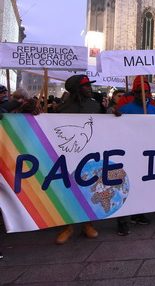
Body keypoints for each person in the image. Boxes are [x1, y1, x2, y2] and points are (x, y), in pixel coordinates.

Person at [55, 75, 102, 244]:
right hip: (68, 157)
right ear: (76, 89)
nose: (90, 88)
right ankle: (67, 227)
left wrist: (114, 115)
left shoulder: (95, 106)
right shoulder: (62, 109)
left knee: (89, 189)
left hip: (89, 156)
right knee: (66, 191)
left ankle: (87, 224)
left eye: (89, 85)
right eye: (85, 86)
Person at [115, 76, 155, 235]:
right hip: (128, 153)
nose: (144, 95)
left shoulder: (153, 109)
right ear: (135, 93)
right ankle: (122, 221)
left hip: (145, 154)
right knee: (124, 186)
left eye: (146, 92)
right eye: (140, 92)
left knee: (141, 185)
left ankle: (138, 214)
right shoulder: (125, 109)